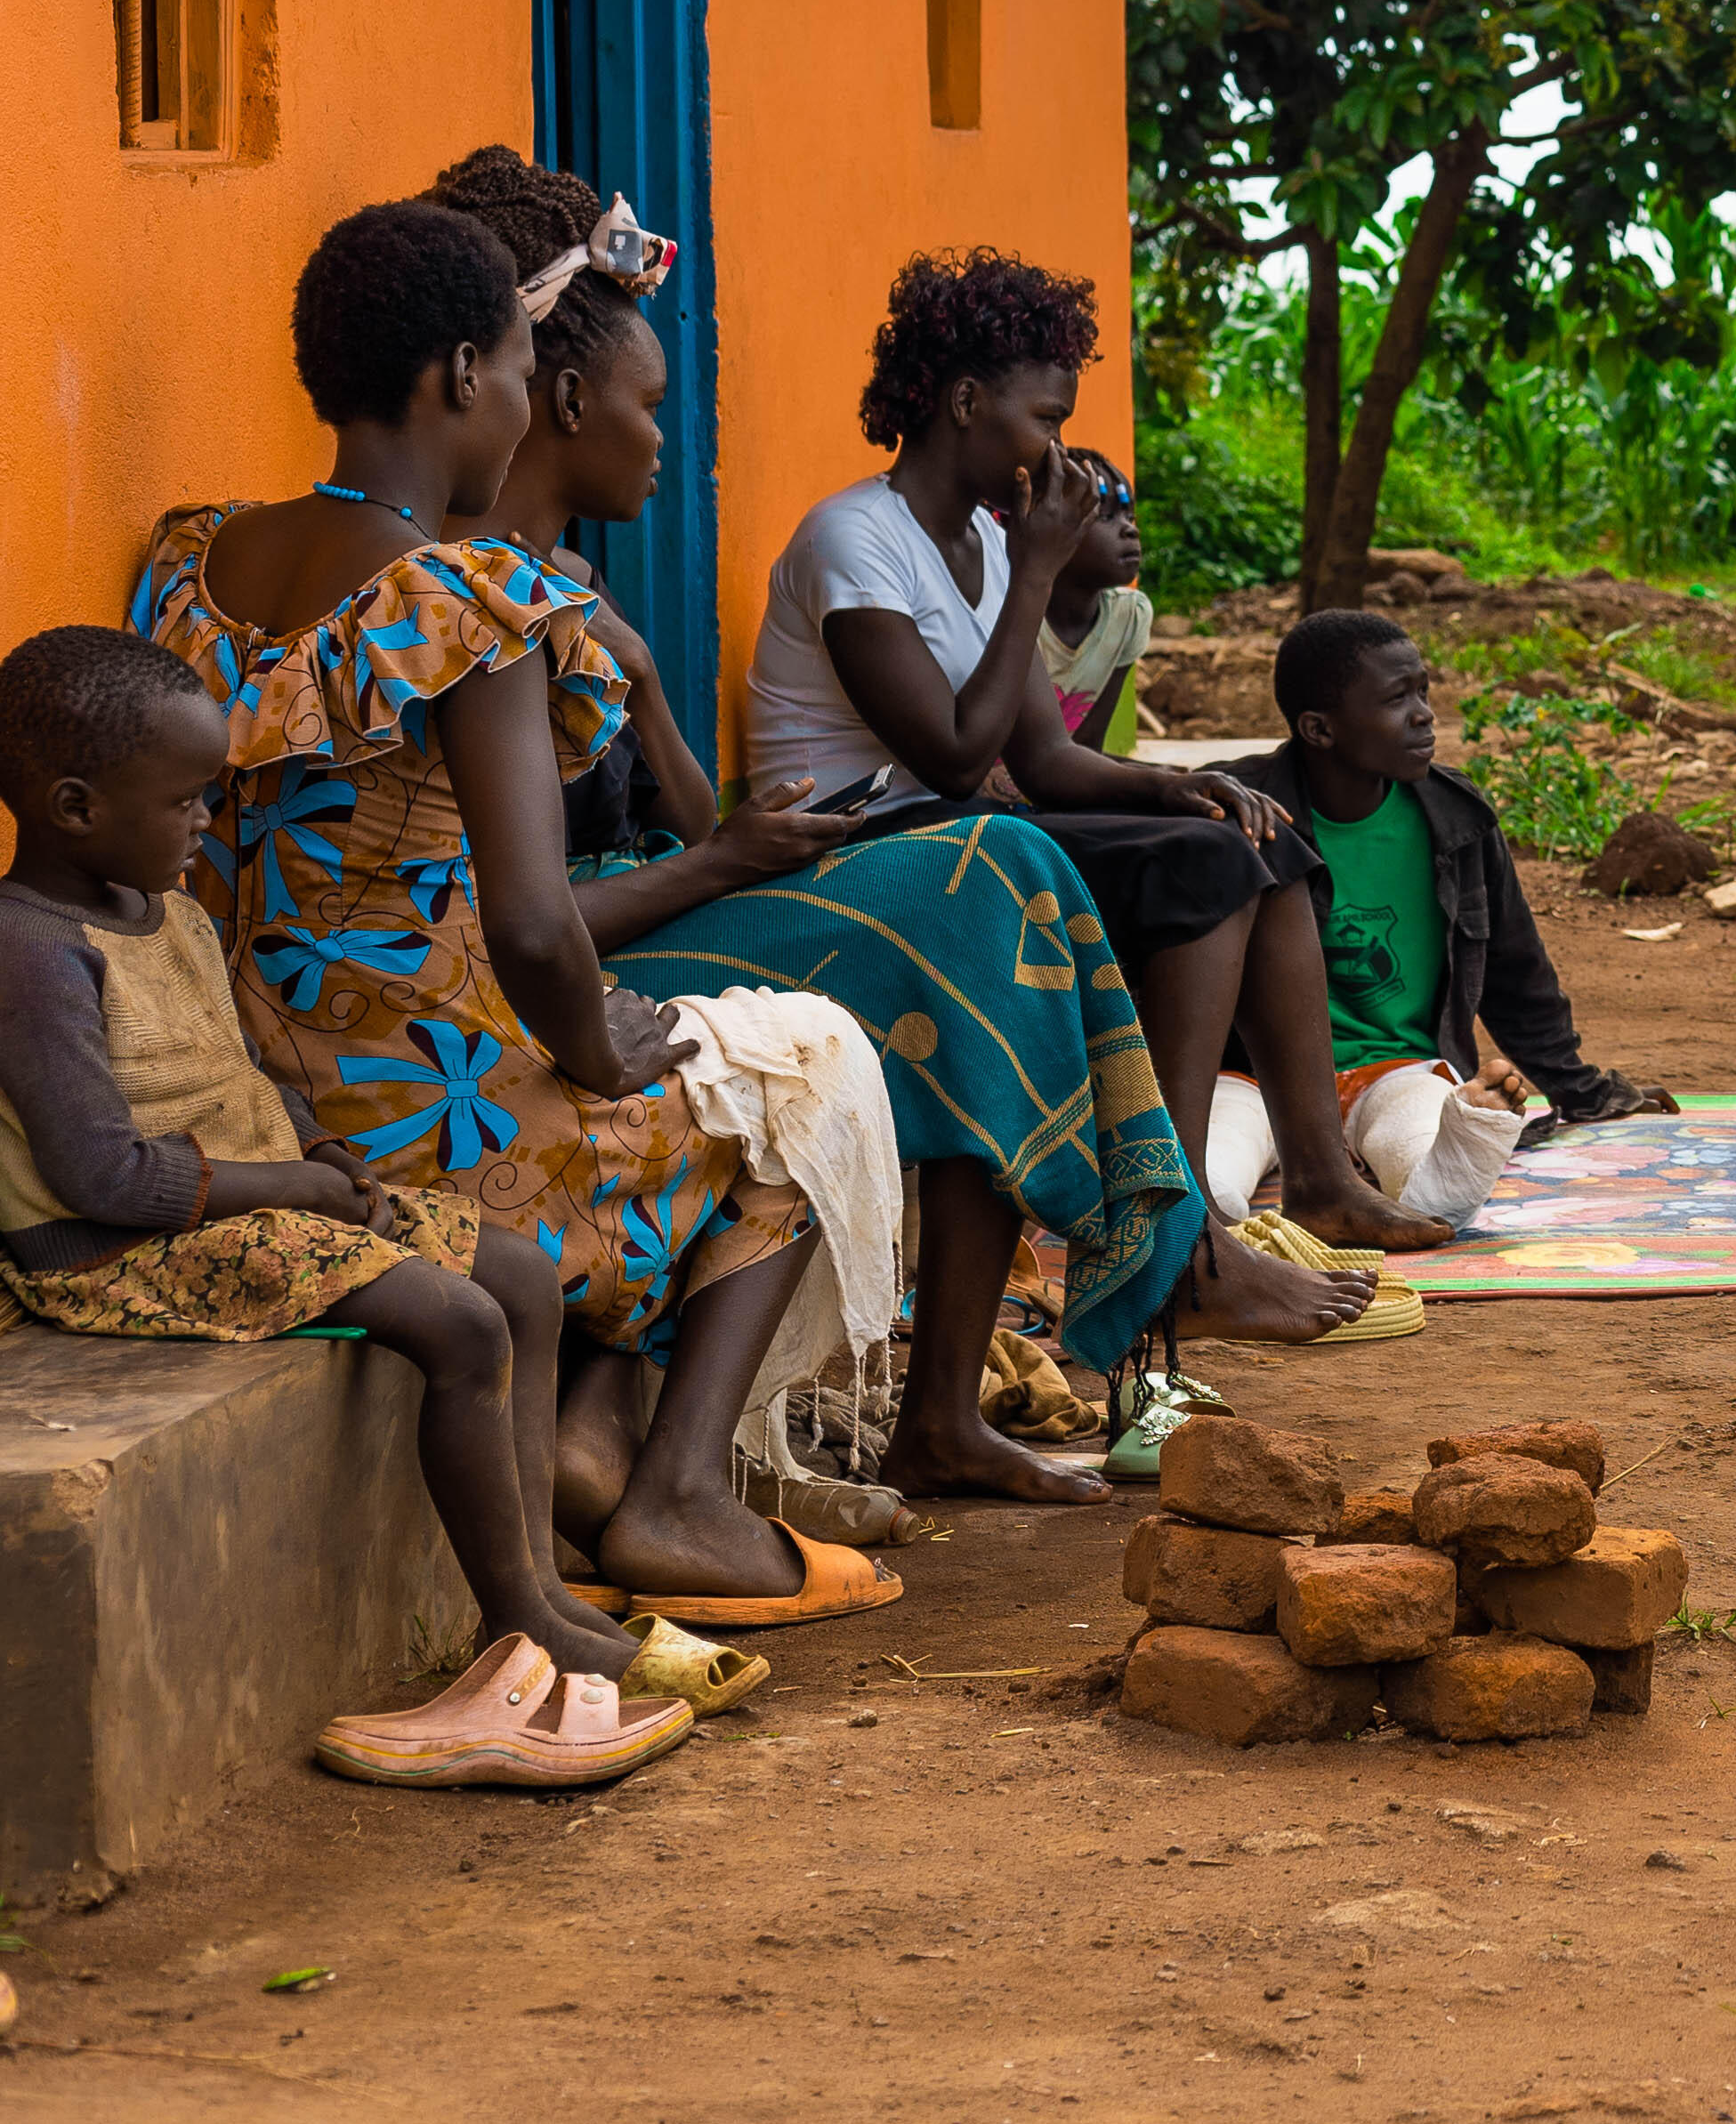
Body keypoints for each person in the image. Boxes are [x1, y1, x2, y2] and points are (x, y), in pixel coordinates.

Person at [424, 149, 1352, 1509]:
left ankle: (1038, 1347)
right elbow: (953, 766)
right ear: (545, 394)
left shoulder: (565, 589)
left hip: (700, 882)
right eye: (652, 406)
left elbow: (711, 812)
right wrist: (722, 842)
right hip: (630, 930)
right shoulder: (480, 600)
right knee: (994, 885)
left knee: (1087, 869)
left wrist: (649, 681)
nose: (670, 439)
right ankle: (1137, 1277)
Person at [132, 202, 870, 1624]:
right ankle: (675, 1495)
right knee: (786, 1112)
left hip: (247, 1090)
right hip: (419, 1115)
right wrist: (602, 1049)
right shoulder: (471, 606)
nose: (527, 408)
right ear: (465, 374)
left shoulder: (194, 563)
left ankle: (598, 1451)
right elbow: (534, 930)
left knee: (698, 1086)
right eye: (527, 375)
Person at [739, 246, 1451, 1257]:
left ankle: (1324, 1181)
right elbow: (954, 759)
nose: (1060, 453)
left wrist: (1181, 785)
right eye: (1048, 420)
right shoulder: (853, 540)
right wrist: (1035, 571)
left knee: (1258, 842)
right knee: (1201, 872)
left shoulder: (987, 545)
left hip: (959, 829)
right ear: (965, 402)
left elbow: (1044, 757)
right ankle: (1171, 1222)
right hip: (849, 846)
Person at [0, 626, 656, 1710]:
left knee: (523, 1278)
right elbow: (99, 1175)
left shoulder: (167, 915)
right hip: (116, 1251)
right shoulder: (29, 950)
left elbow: (241, 1067)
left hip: (247, 1200)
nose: (206, 822)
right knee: (460, 1322)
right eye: (186, 802)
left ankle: (540, 1573)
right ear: (76, 809)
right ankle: (515, 1619)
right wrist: (296, 1190)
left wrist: (314, 1148)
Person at [1199, 609, 1668, 1222]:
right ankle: (1214, 1230)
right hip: (1253, 1077)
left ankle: (1457, 1150)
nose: (1425, 714)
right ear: (1319, 729)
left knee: (1428, 1170)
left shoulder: (1457, 818)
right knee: (1211, 1177)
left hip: (1400, 1070)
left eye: (1423, 691)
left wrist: (1582, 1090)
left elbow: (1515, 971)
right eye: (1397, 699)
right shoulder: (1235, 813)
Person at [1037, 448, 1157, 752]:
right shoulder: (1007, 614)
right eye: (1105, 515)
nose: (1130, 529)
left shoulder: (1128, 616)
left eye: (1130, 515)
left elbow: (1089, 748)